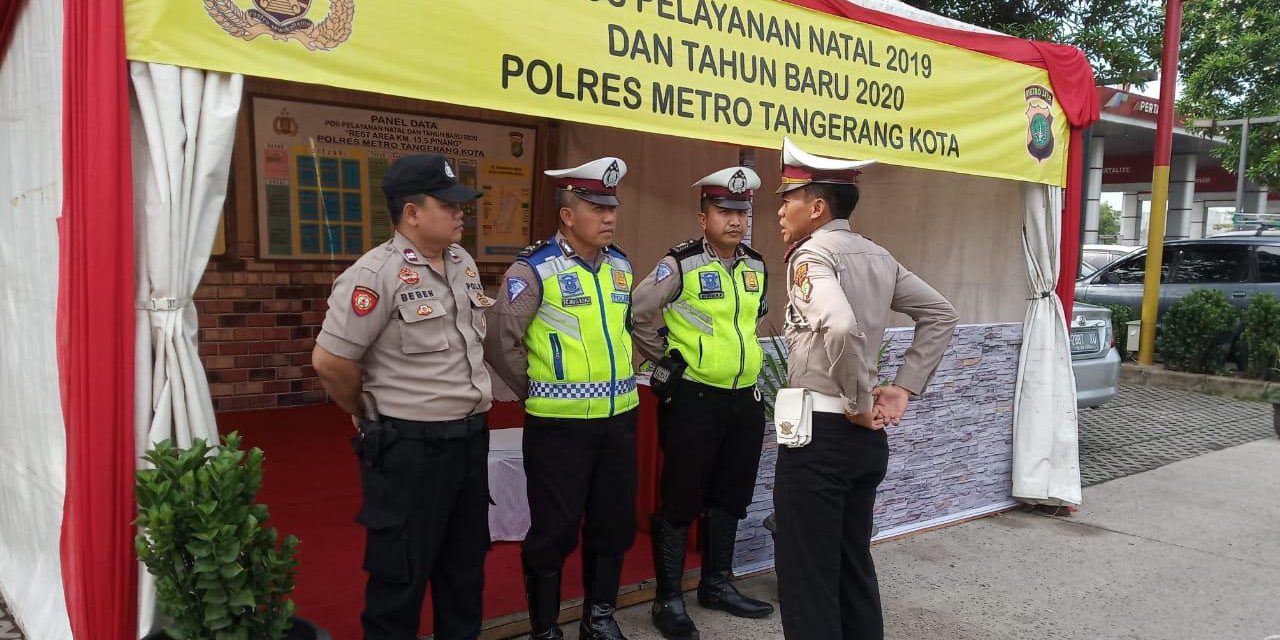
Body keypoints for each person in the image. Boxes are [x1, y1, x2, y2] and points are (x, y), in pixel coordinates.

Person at [771, 137, 959, 640]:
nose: (779, 211)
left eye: (786, 199)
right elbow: (941, 313)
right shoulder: (878, 255)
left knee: (807, 578)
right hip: (862, 443)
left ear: (816, 206)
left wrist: (857, 402)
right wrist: (902, 388)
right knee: (852, 566)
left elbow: (837, 325)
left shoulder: (809, 257)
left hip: (822, 437)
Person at [311, 154, 494, 640]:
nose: (461, 213)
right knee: (400, 579)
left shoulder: (462, 263)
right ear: (411, 212)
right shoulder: (375, 274)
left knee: (465, 572)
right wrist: (362, 412)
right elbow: (331, 362)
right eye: (449, 204)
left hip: (470, 441)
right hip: (411, 449)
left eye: (462, 205)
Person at [484, 157, 639, 640]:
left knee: (612, 526)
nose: (609, 217)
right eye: (596, 207)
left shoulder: (620, 266)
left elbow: (624, 331)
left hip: (619, 422)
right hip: (559, 426)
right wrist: (537, 389)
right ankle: (546, 628)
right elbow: (499, 339)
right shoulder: (532, 270)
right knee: (553, 532)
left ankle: (599, 618)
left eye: (611, 207)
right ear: (568, 216)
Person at [631, 166, 775, 639]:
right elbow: (638, 311)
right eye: (724, 211)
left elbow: (750, 325)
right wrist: (667, 359)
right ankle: (668, 598)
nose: (735, 221)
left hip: (744, 400)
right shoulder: (681, 263)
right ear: (703, 217)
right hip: (695, 397)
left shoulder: (755, 265)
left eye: (742, 212)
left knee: (730, 495)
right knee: (682, 496)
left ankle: (716, 583)